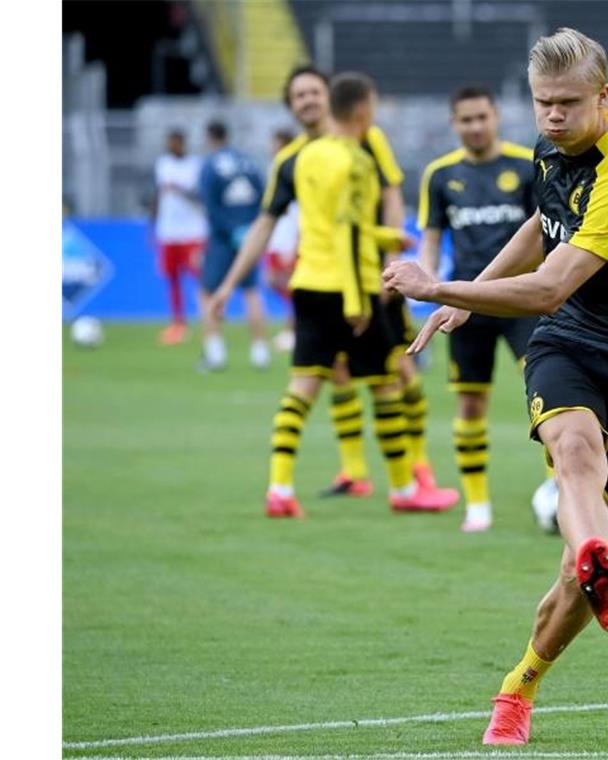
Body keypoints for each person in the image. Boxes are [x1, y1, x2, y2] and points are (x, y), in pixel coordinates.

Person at [384, 28, 608, 745]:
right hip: (574, 338)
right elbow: (542, 223)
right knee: (575, 449)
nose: (552, 117)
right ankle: (601, 562)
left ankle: (522, 678)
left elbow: (552, 284)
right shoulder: (549, 147)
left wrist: (437, 284)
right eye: (541, 104)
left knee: (566, 589)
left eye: (566, 104)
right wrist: (472, 293)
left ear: (604, 96)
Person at [209, 66, 454, 505]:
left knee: (370, 373)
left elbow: (389, 197)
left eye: (313, 92)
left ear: (328, 97)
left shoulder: (355, 144)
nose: (306, 100)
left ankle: (411, 469)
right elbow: (321, 226)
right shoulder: (313, 157)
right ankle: (390, 481)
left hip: (347, 278)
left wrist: (389, 257)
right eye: (298, 95)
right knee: (379, 377)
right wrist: (231, 282)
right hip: (353, 282)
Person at [418, 84, 538, 533]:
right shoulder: (440, 175)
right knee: (470, 403)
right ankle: (478, 505)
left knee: (550, 396)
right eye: (465, 119)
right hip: (465, 303)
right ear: (454, 123)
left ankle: (556, 493)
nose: (474, 126)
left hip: (522, 298)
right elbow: (431, 236)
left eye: (481, 117)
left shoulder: (526, 166)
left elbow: (544, 234)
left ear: (496, 117)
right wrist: (431, 284)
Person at [197, 120, 270, 371]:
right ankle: (260, 352)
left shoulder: (210, 165)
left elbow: (209, 205)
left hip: (222, 238)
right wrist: (249, 231)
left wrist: (229, 231)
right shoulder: (249, 163)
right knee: (251, 292)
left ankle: (215, 352)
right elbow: (265, 200)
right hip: (249, 236)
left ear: (210, 137)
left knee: (208, 292)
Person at [151, 129, 207, 346]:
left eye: (175, 142)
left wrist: (179, 189)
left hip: (193, 231)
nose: (172, 146)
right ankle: (178, 324)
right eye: (169, 142)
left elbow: (201, 196)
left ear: (183, 143)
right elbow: (158, 194)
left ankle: (208, 321)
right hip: (168, 231)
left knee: (200, 279)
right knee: (172, 279)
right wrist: (153, 227)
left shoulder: (196, 165)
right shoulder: (162, 164)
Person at [264, 127, 300, 353]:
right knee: (273, 281)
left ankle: (292, 331)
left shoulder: (294, 171)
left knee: (293, 287)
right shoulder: (275, 170)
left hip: (289, 240)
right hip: (276, 239)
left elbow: (299, 210)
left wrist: (297, 242)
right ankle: (294, 327)